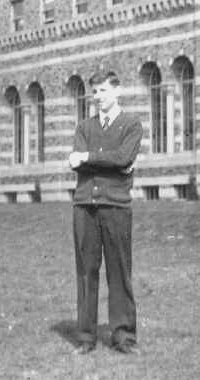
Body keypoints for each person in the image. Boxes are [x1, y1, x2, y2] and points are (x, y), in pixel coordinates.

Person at [69, 70, 143, 354]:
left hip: (116, 208)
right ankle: (86, 338)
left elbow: (124, 158)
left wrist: (87, 158)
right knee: (86, 273)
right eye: (95, 92)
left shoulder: (131, 124)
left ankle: (124, 337)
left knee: (119, 271)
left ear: (117, 91)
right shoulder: (84, 128)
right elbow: (111, 162)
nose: (97, 97)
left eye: (102, 91)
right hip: (85, 207)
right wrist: (112, 163)